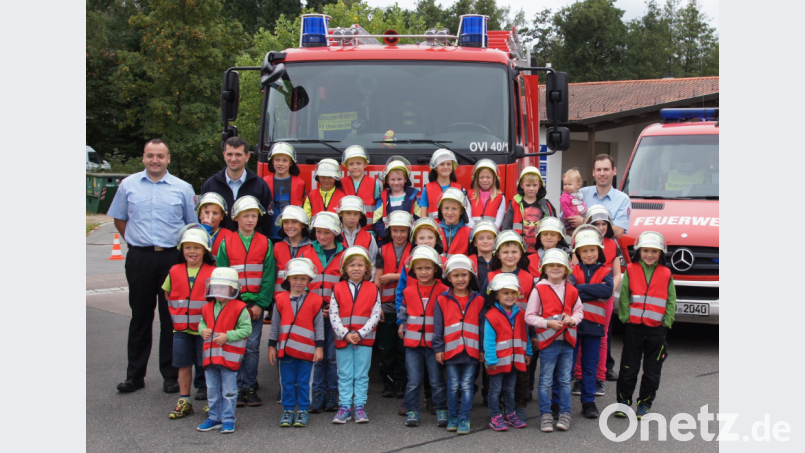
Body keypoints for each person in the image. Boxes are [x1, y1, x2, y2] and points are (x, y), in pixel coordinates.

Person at [108, 138, 197, 394]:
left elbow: (191, 227)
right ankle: (134, 376)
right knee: (140, 317)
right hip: (140, 258)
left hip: (172, 259)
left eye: (160, 156)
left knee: (171, 319)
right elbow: (120, 219)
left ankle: (170, 375)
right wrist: (138, 244)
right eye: (150, 155)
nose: (155, 160)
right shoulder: (128, 185)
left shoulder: (182, 188)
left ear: (168, 158)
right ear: (144, 158)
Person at [216, 196, 277, 407]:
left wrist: (261, 304)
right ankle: (235, 385)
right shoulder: (226, 243)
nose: (250, 220)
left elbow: (269, 276)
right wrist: (233, 305)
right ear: (236, 218)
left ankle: (249, 385)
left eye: (253, 216)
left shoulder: (265, 242)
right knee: (234, 345)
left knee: (251, 346)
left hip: (255, 308)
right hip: (234, 305)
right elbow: (222, 275)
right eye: (245, 216)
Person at [615, 231, 675, 420]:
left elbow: (671, 299)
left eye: (654, 252)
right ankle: (624, 402)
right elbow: (624, 295)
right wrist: (625, 317)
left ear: (661, 254)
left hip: (656, 330)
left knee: (652, 371)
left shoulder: (666, 273)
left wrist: (667, 321)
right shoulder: (631, 269)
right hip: (634, 328)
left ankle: (644, 404)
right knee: (628, 368)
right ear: (639, 251)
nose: (649, 255)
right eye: (646, 251)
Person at [525, 249, 583, 433]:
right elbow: (529, 316)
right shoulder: (539, 289)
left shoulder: (573, 290)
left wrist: (573, 320)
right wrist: (547, 323)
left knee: (565, 380)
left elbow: (579, 311)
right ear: (544, 269)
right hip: (548, 344)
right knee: (545, 381)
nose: (556, 268)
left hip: (567, 342)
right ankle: (545, 415)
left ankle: (565, 413)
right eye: (551, 265)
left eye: (560, 265)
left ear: (566, 269)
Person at [165, 228, 217, 417]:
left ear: (205, 251)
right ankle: (184, 399)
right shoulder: (174, 271)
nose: (192, 251)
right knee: (183, 364)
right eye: (188, 247)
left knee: (208, 364)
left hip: (205, 330)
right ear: (181, 249)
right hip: (181, 330)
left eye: (197, 247)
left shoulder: (213, 272)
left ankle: (212, 400)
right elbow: (167, 293)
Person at [267, 258, 325, 428]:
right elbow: (275, 325)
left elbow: (319, 326)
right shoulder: (280, 299)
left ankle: (303, 410)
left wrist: (319, 348)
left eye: (303, 278)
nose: (298, 282)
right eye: (295, 278)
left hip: (307, 351)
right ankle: (288, 410)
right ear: (288, 279)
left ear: (309, 280)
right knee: (286, 381)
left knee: (305, 382)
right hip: (285, 351)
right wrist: (271, 346)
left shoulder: (315, 300)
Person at [329, 247, 382, 424]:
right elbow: (333, 314)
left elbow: (375, 315)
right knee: (344, 373)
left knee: (361, 374)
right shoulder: (337, 288)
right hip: (343, 340)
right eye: (352, 265)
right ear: (345, 269)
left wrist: (360, 333)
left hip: (364, 340)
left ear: (367, 268)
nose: (356, 268)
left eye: (360, 265)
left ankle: (359, 406)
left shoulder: (373, 288)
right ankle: (344, 406)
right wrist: (344, 334)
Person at [196, 268, 253, 434]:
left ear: (233, 289)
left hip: (228, 359)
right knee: (212, 390)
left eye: (223, 288)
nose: (218, 291)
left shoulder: (239, 308)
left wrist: (227, 336)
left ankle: (228, 419)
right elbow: (202, 323)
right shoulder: (207, 307)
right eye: (216, 287)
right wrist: (202, 330)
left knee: (229, 390)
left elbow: (247, 329)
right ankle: (214, 417)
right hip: (210, 359)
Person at [433, 255, 485, 435]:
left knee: (467, 385)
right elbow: (438, 327)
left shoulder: (478, 299)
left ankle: (464, 418)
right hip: (451, 350)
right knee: (453, 385)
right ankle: (453, 416)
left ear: (470, 277)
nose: (460, 279)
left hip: (471, 351)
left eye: (464, 275)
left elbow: (481, 327)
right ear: (448, 277)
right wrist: (439, 348)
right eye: (455, 275)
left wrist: (481, 349)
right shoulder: (441, 299)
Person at [398, 246, 449, 427]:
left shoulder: (443, 290)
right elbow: (403, 311)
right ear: (413, 271)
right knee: (413, 380)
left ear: (435, 268)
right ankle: (412, 409)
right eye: (419, 268)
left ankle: (441, 408)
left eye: (428, 268)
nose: (423, 272)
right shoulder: (408, 291)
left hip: (434, 345)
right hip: (412, 344)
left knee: (436, 380)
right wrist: (401, 324)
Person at [567, 226, 613, 419]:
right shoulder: (571, 270)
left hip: (594, 327)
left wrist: (580, 288)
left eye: (592, 250)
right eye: (584, 250)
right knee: (567, 366)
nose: (589, 254)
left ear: (599, 251)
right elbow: (568, 291)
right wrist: (592, 289)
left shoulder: (606, 271)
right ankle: (561, 402)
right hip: (573, 327)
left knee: (589, 366)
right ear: (578, 252)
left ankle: (588, 402)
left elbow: (607, 291)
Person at [573, 205, 623, 386]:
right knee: (580, 335)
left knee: (601, 337)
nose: (601, 227)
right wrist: (594, 288)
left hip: (604, 298)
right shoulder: (583, 241)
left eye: (604, 223)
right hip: (584, 299)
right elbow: (575, 275)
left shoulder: (613, 244)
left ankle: (599, 376)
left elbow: (616, 274)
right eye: (596, 223)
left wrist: (609, 292)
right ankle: (580, 375)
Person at [307, 212, 346, 413]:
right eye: (318, 232)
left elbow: (347, 285)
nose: (321, 236)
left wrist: (333, 307)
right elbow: (301, 281)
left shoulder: (344, 254)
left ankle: (332, 392)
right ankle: (317, 392)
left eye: (326, 232)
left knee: (332, 356)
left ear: (336, 232)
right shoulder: (307, 252)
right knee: (316, 355)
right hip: (312, 313)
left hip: (334, 313)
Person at [484, 274, 532, 431]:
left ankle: (510, 413)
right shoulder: (491, 316)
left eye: (513, 292)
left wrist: (528, 352)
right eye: (505, 293)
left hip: (514, 361)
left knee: (510, 389)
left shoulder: (521, 314)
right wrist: (490, 360)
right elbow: (489, 341)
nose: (510, 296)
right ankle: (495, 416)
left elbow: (525, 335)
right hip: (497, 362)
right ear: (496, 295)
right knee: (495, 389)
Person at [375, 211, 414, 399]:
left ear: (409, 231)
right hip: (387, 307)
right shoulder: (382, 250)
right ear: (389, 230)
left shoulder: (415, 250)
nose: (399, 234)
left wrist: (393, 277)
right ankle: (388, 382)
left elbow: (415, 276)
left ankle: (400, 381)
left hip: (407, 308)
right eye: (395, 230)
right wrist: (377, 305)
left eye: (403, 231)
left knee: (402, 348)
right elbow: (377, 281)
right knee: (387, 347)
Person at [201, 137, 274, 237]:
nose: (233, 159)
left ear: (247, 156)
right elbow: (202, 217)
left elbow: (266, 221)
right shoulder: (211, 185)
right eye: (230, 154)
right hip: (218, 246)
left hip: (250, 246)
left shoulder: (260, 186)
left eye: (238, 154)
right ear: (224, 155)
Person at [566, 154, 631, 239]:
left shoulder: (623, 199)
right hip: (582, 249)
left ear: (614, 171)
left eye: (606, 169)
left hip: (608, 251)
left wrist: (584, 223)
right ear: (594, 172)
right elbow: (566, 225)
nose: (602, 173)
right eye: (598, 170)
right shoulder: (580, 194)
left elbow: (618, 232)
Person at [501, 166, 558, 255]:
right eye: (528, 185)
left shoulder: (546, 205)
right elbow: (507, 228)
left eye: (534, 185)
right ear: (521, 185)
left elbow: (555, 228)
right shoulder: (514, 204)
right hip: (518, 250)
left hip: (541, 251)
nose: (531, 188)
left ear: (539, 185)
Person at [263, 142, 307, 243]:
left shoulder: (300, 183)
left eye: (285, 160)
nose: (280, 163)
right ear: (272, 162)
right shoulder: (264, 182)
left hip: (291, 234)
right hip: (269, 233)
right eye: (277, 160)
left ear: (291, 163)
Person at [420, 149, 472, 224]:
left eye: (448, 164)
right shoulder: (427, 189)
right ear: (435, 167)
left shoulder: (460, 189)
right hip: (434, 231)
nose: (445, 167)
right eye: (442, 164)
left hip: (455, 231)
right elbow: (423, 216)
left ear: (452, 166)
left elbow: (464, 214)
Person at [374, 159, 420, 241]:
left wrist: (412, 234)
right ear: (387, 180)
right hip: (387, 241)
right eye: (392, 179)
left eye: (399, 179)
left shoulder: (412, 198)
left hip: (408, 241)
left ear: (405, 179)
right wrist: (385, 234)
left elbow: (419, 218)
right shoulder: (383, 199)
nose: (396, 183)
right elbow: (376, 220)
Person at [340, 146, 382, 236]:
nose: (355, 167)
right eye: (351, 164)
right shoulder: (341, 183)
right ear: (346, 166)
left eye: (358, 163)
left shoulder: (374, 183)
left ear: (365, 164)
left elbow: (379, 207)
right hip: (346, 232)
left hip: (368, 232)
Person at [272, 206, 315, 294]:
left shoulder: (313, 247)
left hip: (305, 300)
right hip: (280, 300)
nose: (289, 226)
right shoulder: (277, 247)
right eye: (286, 222)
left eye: (294, 222)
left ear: (303, 224)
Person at [337, 195, 378, 264]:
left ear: (360, 216)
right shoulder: (334, 235)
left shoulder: (369, 237)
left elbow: (373, 263)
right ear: (340, 214)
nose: (352, 217)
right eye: (348, 213)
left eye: (356, 214)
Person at [468, 159, 505, 229]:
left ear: (494, 179)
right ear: (477, 179)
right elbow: (468, 217)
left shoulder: (500, 197)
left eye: (488, 177)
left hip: (492, 235)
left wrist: (492, 231)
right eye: (481, 177)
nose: (485, 180)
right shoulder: (469, 195)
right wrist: (476, 230)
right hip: (474, 233)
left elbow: (499, 219)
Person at [437, 188, 472, 258]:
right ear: (441, 209)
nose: (450, 213)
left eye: (454, 209)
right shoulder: (435, 230)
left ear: (462, 211)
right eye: (446, 208)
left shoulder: (469, 233)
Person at [467, 220, 498, 289]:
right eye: (481, 238)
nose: (485, 241)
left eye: (489, 238)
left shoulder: (500, 261)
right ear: (475, 243)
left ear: (495, 242)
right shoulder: (469, 262)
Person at [560, 169, 587, 234]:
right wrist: (572, 217)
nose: (566, 186)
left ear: (578, 185)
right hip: (570, 218)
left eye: (569, 184)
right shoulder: (565, 196)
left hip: (578, 215)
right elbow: (565, 209)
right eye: (565, 184)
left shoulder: (578, 194)